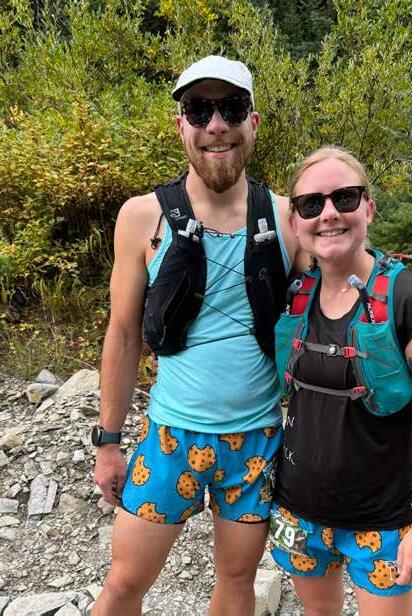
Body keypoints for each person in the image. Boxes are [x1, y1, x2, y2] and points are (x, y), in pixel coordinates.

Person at [91, 55, 306, 616]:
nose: (216, 125)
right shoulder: (142, 217)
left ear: (252, 122)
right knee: (123, 585)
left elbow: (337, 302)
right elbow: (122, 334)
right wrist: (108, 442)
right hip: (171, 438)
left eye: (231, 109)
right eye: (199, 110)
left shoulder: (287, 220)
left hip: (257, 442)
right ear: (180, 125)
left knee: (237, 583)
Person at [269, 146, 412, 616]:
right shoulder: (294, 295)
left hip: (382, 520)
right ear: (295, 221)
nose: (329, 213)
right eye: (312, 203)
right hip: (299, 511)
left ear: (369, 208)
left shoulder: (410, 299)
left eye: (345, 198)